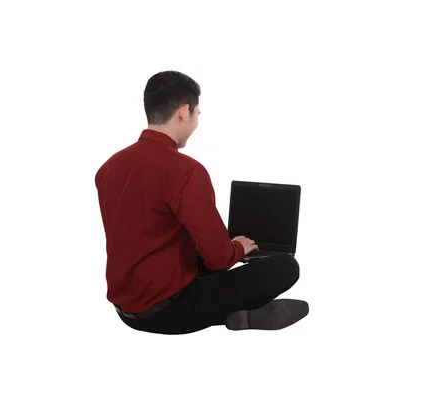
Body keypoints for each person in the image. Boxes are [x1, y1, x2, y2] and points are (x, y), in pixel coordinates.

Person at [94, 70, 309, 334]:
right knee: (285, 267)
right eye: (198, 113)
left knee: (198, 254)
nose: (197, 121)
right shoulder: (187, 171)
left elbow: (145, 232)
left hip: (126, 311)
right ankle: (243, 313)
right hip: (171, 310)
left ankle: (237, 311)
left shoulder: (108, 168)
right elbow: (220, 259)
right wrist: (237, 249)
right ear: (184, 111)